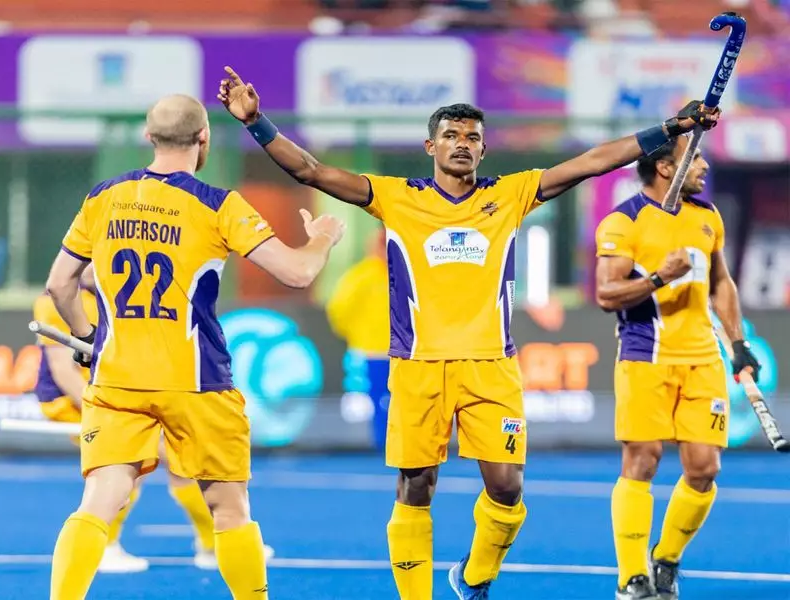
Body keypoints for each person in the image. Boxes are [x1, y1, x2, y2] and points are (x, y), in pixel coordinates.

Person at [218, 65, 719, 600]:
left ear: (482, 149)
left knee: (508, 490)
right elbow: (311, 170)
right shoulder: (395, 197)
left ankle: (474, 575)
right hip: (418, 368)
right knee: (416, 486)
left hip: (491, 368)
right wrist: (256, 123)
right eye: (452, 135)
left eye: (472, 137)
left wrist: (670, 129)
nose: (462, 143)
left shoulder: (511, 194)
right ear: (430, 146)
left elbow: (593, 161)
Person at [45, 93, 344, 600]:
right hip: (198, 383)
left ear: (148, 136)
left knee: (98, 502)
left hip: (118, 380)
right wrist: (323, 238)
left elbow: (60, 285)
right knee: (230, 511)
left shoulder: (103, 197)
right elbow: (298, 273)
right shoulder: (218, 204)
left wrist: (89, 339)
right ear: (204, 138)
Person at [594, 136, 761, 600]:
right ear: (666, 168)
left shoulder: (707, 216)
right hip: (645, 356)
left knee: (704, 469)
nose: (704, 165)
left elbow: (721, 282)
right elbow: (606, 294)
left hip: (703, 358)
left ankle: (665, 559)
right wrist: (657, 278)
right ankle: (632, 576)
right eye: (696, 157)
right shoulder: (624, 221)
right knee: (642, 460)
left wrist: (738, 344)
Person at [34, 264, 275, 572]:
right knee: (134, 461)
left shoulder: (122, 297)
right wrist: (105, 409)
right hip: (74, 402)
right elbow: (63, 373)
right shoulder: (58, 299)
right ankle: (108, 547)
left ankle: (209, 545)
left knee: (178, 458)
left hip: (120, 395)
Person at [325, 227, 391, 450]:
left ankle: (389, 445)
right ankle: (377, 444)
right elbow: (339, 310)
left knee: (394, 402)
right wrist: (356, 336)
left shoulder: (404, 274)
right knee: (372, 401)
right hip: (371, 352)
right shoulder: (361, 276)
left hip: (402, 353)